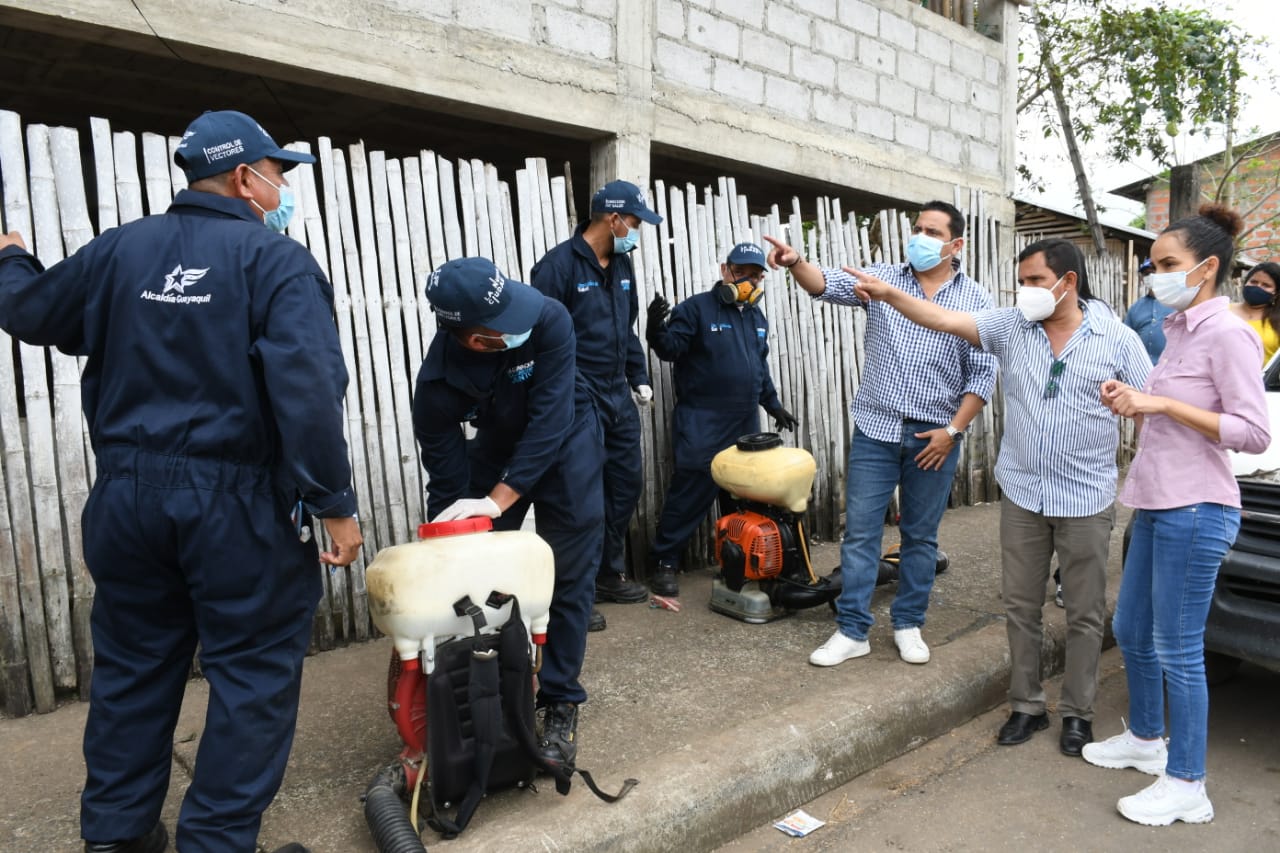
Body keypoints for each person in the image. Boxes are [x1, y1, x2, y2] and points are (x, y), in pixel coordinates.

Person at [0, 110, 363, 853]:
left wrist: (10, 258)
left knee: (133, 667)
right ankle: (216, 843)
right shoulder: (276, 263)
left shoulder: (120, 250)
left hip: (127, 502)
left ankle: (118, 837)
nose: (284, 189)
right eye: (278, 174)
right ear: (245, 178)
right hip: (236, 508)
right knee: (252, 676)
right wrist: (334, 504)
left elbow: (29, 310)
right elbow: (307, 393)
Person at [849, 239, 1151, 756]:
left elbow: (1148, 409)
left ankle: (1077, 713)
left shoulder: (1119, 340)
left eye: (1035, 281)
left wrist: (1148, 476)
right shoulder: (1012, 327)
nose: (1025, 291)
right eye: (1022, 281)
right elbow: (943, 319)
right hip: (1023, 494)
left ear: (1068, 282)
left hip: (1086, 498)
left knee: (1083, 614)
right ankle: (1026, 706)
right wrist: (890, 294)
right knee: (1021, 607)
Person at [1084, 204, 1270, 826]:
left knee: (1179, 647)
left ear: (1207, 267)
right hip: (1157, 500)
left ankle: (1189, 782)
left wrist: (1159, 404)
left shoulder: (1230, 334)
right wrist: (1134, 401)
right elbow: (1170, 412)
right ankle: (1145, 739)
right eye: (1153, 266)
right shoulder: (1179, 330)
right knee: (1133, 629)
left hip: (1198, 507)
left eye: (1168, 264)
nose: (1155, 275)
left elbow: (1252, 432)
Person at [764, 200, 999, 667]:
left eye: (932, 232)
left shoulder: (976, 300)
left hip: (934, 438)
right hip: (876, 427)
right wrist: (796, 262)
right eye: (917, 228)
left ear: (956, 244)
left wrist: (952, 432)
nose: (920, 238)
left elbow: (982, 375)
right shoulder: (883, 278)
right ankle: (853, 630)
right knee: (860, 534)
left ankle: (909, 624)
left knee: (920, 537)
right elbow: (826, 284)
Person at [413, 256, 604, 770]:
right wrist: (454, 536)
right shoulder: (436, 390)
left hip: (567, 434)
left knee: (569, 569)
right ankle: (488, 686)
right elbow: (448, 484)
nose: (524, 319)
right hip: (497, 446)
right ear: (477, 340)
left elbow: (550, 422)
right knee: (477, 572)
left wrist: (500, 498)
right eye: (506, 322)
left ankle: (560, 697)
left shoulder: (548, 319)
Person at [530, 180, 662, 607]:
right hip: (576, 391)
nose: (637, 231)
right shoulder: (557, 267)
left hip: (615, 391)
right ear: (614, 218)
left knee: (625, 484)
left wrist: (638, 375)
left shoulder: (623, 265)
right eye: (636, 222)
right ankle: (572, 594)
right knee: (577, 494)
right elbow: (540, 337)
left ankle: (607, 574)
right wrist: (558, 393)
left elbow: (627, 327)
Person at [644, 242, 798, 596]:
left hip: (744, 419)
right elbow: (670, 349)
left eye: (756, 275)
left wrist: (772, 404)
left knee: (743, 494)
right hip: (703, 417)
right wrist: (655, 329)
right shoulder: (696, 309)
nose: (748, 280)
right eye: (741, 272)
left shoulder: (756, 317)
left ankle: (737, 560)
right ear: (725, 270)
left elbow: (759, 366)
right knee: (692, 489)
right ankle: (664, 561)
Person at [1123, 258, 1176, 364]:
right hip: (1141, 368)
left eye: (1153, 272)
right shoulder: (1136, 308)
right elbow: (1125, 338)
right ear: (1142, 279)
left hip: (1172, 368)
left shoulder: (1177, 304)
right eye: (1146, 274)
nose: (1150, 276)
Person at [1228, 261, 1280, 364]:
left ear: (1276, 293)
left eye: (1266, 285)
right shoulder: (1222, 311)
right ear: (1245, 283)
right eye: (1254, 282)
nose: (1257, 287)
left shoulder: (1277, 322)